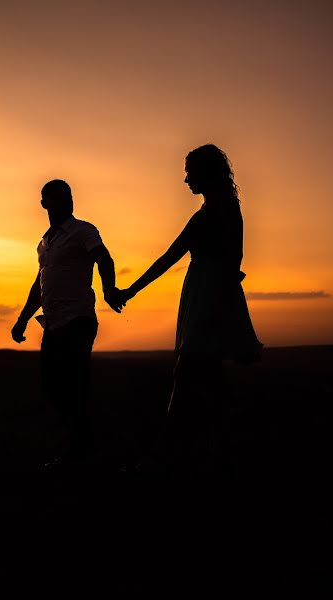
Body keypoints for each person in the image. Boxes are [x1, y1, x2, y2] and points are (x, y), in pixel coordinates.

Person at [117, 144, 262, 469]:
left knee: (186, 376)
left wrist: (216, 309)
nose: (185, 179)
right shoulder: (208, 210)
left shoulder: (224, 208)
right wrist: (130, 292)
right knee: (210, 383)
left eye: (189, 171)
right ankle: (221, 451)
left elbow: (233, 260)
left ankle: (160, 456)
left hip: (211, 298)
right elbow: (169, 257)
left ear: (205, 172)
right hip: (201, 296)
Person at [11, 179, 124, 469]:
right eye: (59, 197)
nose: (67, 202)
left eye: (69, 197)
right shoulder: (44, 244)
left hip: (78, 320)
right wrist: (22, 320)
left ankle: (82, 451)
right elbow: (39, 285)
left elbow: (104, 258)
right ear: (44, 204)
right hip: (53, 324)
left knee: (74, 386)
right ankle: (82, 445)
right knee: (52, 387)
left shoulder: (83, 231)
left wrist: (109, 290)